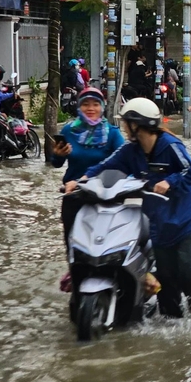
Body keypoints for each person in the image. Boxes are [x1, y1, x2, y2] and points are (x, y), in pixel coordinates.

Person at [64, 98, 191, 318]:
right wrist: (80, 180)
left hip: (187, 224)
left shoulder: (170, 145)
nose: (124, 127)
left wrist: (169, 182)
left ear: (137, 124)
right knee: (166, 284)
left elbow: (190, 172)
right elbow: (105, 166)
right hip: (158, 227)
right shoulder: (130, 151)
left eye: (126, 122)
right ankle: (172, 327)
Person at [51, 87, 124, 271]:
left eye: (95, 104)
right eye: (85, 104)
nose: (90, 108)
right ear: (79, 107)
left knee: (104, 246)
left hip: (105, 197)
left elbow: (125, 161)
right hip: (74, 195)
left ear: (102, 107)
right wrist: (58, 154)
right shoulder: (69, 131)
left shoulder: (113, 133)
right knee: (73, 247)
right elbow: (57, 164)